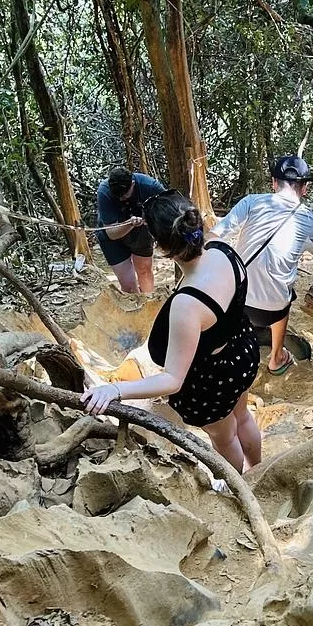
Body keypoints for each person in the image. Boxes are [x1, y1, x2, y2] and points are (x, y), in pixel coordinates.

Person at [82, 190, 262, 473]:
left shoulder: (187, 304)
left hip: (213, 380)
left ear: (159, 247)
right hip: (242, 351)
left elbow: (172, 380)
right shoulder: (224, 250)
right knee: (243, 417)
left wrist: (116, 389)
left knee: (225, 437)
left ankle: (237, 484)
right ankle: (259, 469)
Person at [212, 154, 313, 376]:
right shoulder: (310, 221)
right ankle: (277, 357)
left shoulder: (251, 201)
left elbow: (215, 236)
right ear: (305, 188)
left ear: (273, 182)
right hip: (271, 311)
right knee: (286, 294)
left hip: (236, 303)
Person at [95, 166, 165, 294]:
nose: (121, 199)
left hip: (141, 234)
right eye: (118, 196)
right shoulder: (104, 192)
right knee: (129, 286)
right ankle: (136, 310)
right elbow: (111, 234)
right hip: (113, 238)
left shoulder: (149, 186)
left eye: (124, 195)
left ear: (133, 184)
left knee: (144, 272)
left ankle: (150, 307)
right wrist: (130, 224)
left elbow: (169, 206)